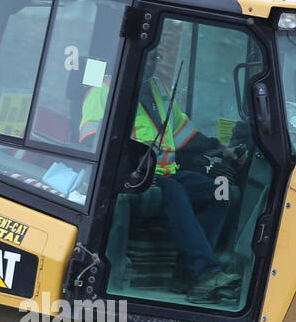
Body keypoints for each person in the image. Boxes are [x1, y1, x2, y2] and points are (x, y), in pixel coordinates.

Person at [81, 62, 240, 302]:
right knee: (173, 191)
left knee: (220, 189)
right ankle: (205, 272)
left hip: (167, 174)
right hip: (130, 179)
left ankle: (186, 273)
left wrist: (222, 150)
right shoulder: (103, 90)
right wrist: (134, 152)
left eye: (155, 57)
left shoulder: (158, 90)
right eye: (149, 55)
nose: (151, 63)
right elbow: (91, 141)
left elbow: (186, 135)